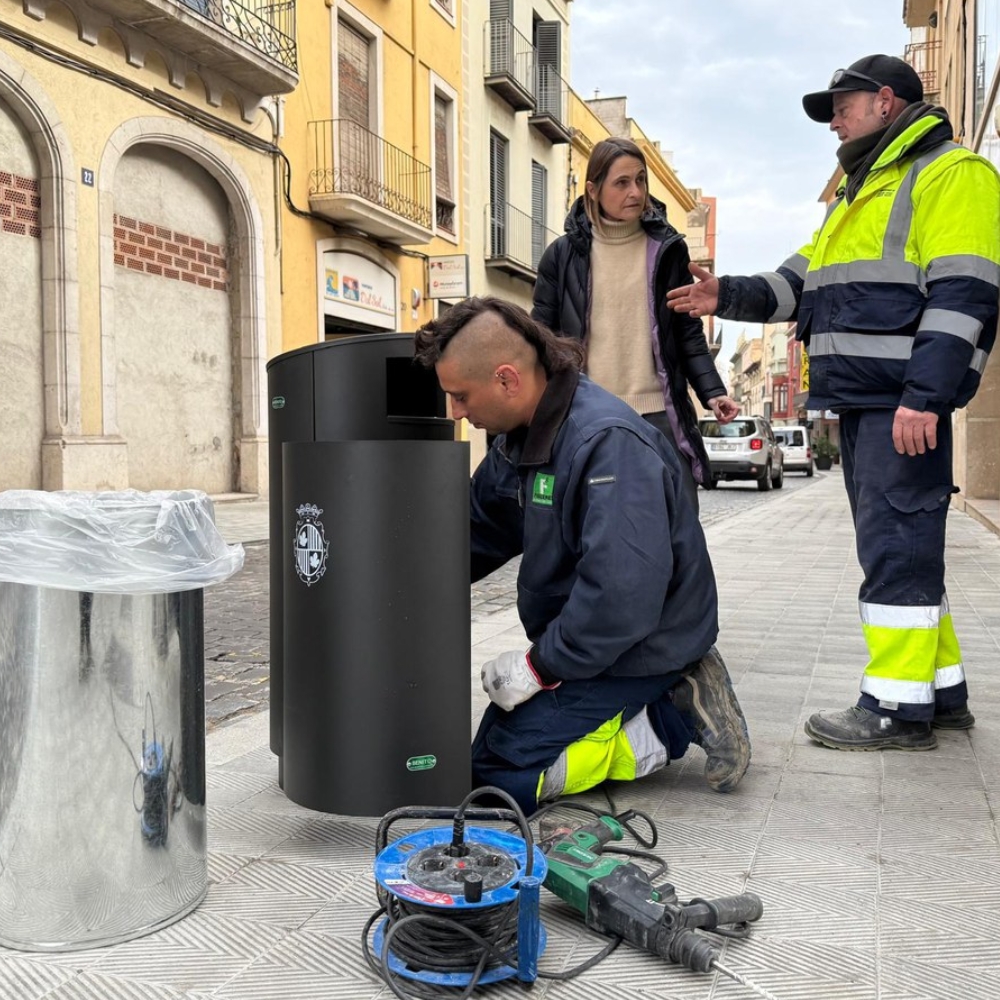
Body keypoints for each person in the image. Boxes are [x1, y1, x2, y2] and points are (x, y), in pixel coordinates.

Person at [666, 54, 1000, 752]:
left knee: (895, 551)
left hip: (899, 404)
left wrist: (924, 397)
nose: (834, 122)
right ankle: (940, 695)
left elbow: (965, 294)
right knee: (905, 549)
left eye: (842, 106)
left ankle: (895, 709)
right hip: (870, 402)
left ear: (886, 101)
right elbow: (796, 282)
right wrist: (722, 294)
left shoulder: (951, 174)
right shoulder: (859, 193)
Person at [412, 296, 751, 815]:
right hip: (589, 638)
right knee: (485, 759)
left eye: (460, 396)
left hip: (643, 642)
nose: (455, 412)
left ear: (507, 379)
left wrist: (538, 667)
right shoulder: (518, 439)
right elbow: (477, 531)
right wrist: (405, 582)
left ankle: (672, 714)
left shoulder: (608, 445)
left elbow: (621, 596)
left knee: (499, 780)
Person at [531, 136, 740, 508]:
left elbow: (687, 333)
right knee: (595, 522)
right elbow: (541, 341)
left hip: (659, 413)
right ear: (593, 189)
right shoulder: (561, 257)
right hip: (588, 416)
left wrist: (713, 392)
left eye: (641, 180)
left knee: (677, 521)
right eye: (622, 182)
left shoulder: (667, 250)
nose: (636, 192)